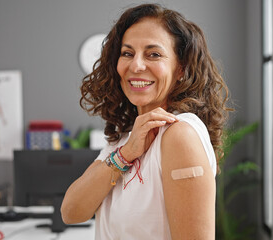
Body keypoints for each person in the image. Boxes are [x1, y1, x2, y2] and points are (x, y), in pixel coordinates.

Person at [61, 3, 231, 239]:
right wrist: (125, 154)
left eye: (154, 54)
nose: (136, 65)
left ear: (180, 68)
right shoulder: (127, 139)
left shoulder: (179, 134)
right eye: (127, 53)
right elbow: (71, 212)